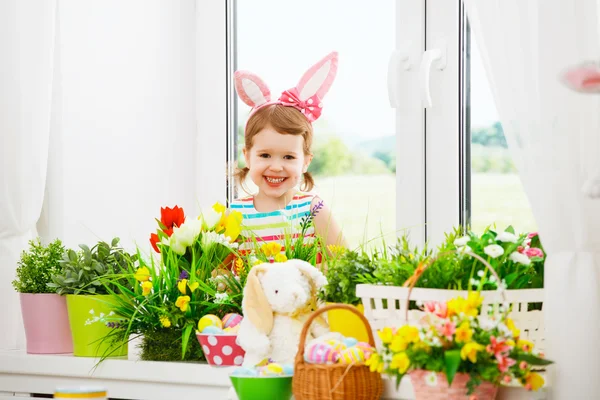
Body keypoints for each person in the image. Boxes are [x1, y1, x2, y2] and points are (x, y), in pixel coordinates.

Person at [231, 51, 346, 254]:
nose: (276, 167)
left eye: (289, 157)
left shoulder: (313, 210)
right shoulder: (236, 214)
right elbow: (220, 272)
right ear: (247, 156)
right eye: (265, 155)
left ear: (305, 161)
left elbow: (344, 263)